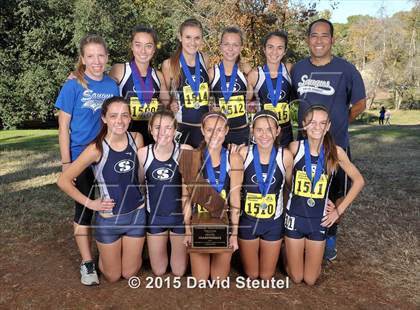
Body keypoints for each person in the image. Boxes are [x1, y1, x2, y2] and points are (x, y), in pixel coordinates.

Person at [291, 18, 366, 261]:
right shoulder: (298, 69)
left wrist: (342, 122)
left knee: (335, 195)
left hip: (335, 145)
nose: (319, 40)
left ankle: (329, 235)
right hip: (305, 144)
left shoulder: (346, 69)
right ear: (307, 39)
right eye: (314, 35)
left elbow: (360, 104)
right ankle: (302, 232)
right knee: (303, 189)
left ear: (332, 40)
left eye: (325, 35)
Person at [57, 97, 146, 283]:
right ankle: (106, 256)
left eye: (124, 115)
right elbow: (63, 181)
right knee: (112, 276)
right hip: (109, 220)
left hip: (136, 215)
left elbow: (140, 175)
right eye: (113, 116)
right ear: (104, 118)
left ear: (130, 118)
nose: (119, 121)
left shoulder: (137, 139)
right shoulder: (96, 149)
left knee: (129, 274)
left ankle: (126, 251)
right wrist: (91, 203)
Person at [55, 34, 119, 285]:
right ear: (82, 58)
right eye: (90, 56)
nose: (96, 61)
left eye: (100, 55)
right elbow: (63, 127)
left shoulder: (111, 86)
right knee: (84, 207)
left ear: (107, 57)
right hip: (81, 154)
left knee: (108, 203)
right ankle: (87, 262)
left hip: (105, 153)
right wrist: (65, 162)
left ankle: (109, 251)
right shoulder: (72, 85)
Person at [285, 105, 364, 285]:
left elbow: (359, 181)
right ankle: (287, 252)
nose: (317, 127)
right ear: (304, 124)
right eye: (312, 122)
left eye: (322, 123)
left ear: (328, 126)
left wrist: (338, 210)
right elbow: (288, 181)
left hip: (319, 219)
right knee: (296, 278)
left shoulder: (336, 152)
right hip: (295, 217)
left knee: (311, 280)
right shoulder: (294, 147)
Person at [183, 112, 241, 280]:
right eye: (209, 130)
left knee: (218, 280)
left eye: (219, 130)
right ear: (202, 130)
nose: (214, 135)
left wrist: (234, 234)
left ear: (226, 131)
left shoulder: (233, 158)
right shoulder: (191, 158)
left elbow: (235, 198)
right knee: (200, 280)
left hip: (223, 227)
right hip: (198, 227)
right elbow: (185, 199)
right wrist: (187, 231)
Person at [237, 110, 293, 280]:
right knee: (252, 275)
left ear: (277, 132)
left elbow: (289, 188)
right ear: (252, 131)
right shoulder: (243, 154)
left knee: (267, 276)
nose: (264, 135)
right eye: (259, 130)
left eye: (269, 130)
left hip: (273, 223)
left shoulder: (286, 156)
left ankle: (285, 251)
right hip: (248, 221)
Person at [137, 110, 192, 276]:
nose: (163, 132)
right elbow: (138, 184)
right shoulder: (143, 154)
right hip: (155, 217)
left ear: (175, 130)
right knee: (159, 271)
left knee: (179, 272)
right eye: (158, 127)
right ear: (151, 129)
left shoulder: (186, 151)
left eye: (168, 128)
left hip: (180, 218)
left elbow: (190, 192)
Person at [110, 25, 170, 145]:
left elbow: (166, 105)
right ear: (131, 46)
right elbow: (98, 84)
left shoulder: (158, 76)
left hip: (152, 140)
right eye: (138, 45)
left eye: (148, 46)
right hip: (125, 138)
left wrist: (170, 104)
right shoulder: (119, 70)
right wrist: (79, 74)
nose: (143, 51)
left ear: (154, 49)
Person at [162, 18, 210, 148]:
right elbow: (164, 96)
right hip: (182, 127)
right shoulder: (169, 64)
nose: (193, 42)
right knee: (185, 167)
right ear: (180, 37)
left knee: (205, 167)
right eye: (188, 37)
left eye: (197, 38)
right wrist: (169, 103)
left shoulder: (205, 59)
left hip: (205, 129)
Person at [247, 31, 294, 147]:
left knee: (285, 164)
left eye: (279, 48)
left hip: (285, 133)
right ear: (264, 49)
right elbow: (246, 103)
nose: (274, 52)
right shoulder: (254, 75)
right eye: (270, 47)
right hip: (264, 133)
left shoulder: (290, 70)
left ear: (285, 51)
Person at [209, 26, 252, 146]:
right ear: (220, 46)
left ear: (241, 47)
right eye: (226, 44)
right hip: (220, 133)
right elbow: (202, 100)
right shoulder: (212, 72)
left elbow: (256, 97)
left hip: (242, 132)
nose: (230, 49)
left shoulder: (246, 69)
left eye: (235, 45)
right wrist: (211, 108)